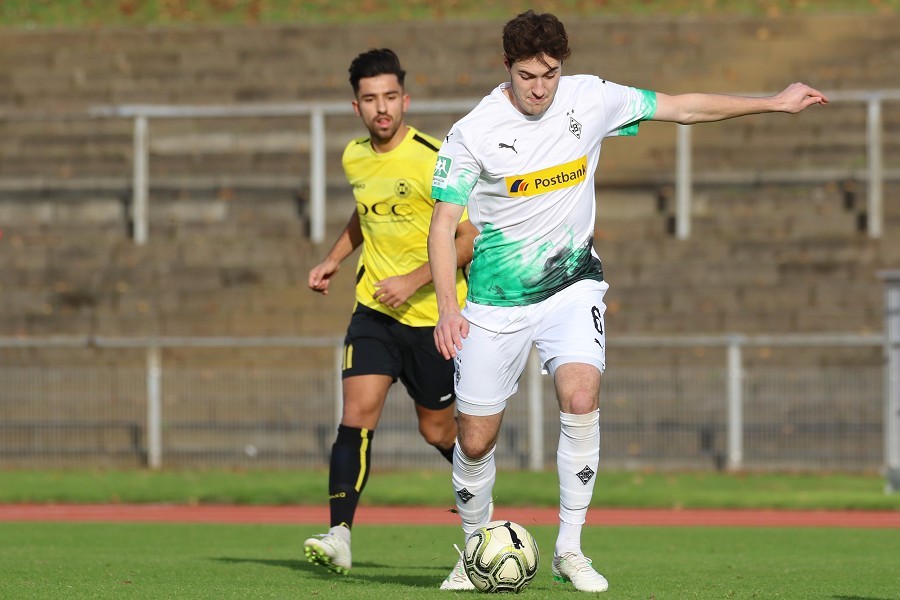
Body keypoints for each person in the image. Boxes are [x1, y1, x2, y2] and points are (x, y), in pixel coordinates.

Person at [428, 10, 828, 593]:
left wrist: (773, 101)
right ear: (505, 68)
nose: (540, 88)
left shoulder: (590, 98)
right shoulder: (473, 132)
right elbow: (443, 225)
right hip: (495, 300)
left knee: (582, 394)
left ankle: (570, 547)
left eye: (550, 74)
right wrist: (446, 306)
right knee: (474, 438)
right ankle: (475, 547)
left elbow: (683, 106)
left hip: (574, 283)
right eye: (526, 75)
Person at [303, 48, 477, 576]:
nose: (382, 107)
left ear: (406, 99)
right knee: (355, 416)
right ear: (356, 106)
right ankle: (339, 535)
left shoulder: (435, 156)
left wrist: (415, 280)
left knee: (439, 433)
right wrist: (334, 259)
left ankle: (483, 508)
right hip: (374, 313)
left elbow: (468, 238)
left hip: (435, 320)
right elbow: (365, 213)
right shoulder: (354, 156)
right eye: (370, 99)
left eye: (390, 97)